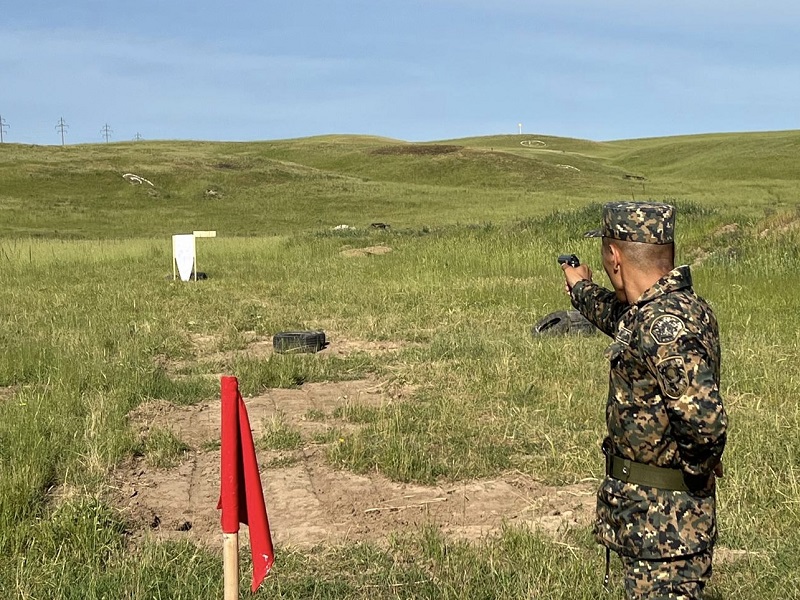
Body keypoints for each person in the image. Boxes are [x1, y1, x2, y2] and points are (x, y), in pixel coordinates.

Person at [561, 201, 727, 600]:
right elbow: (619, 319)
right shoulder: (674, 310)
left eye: (604, 253)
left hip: (666, 527)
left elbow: (705, 425)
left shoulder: (663, 325)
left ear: (614, 258)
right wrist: (580, 287)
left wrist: (695, 472)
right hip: (653, 521)